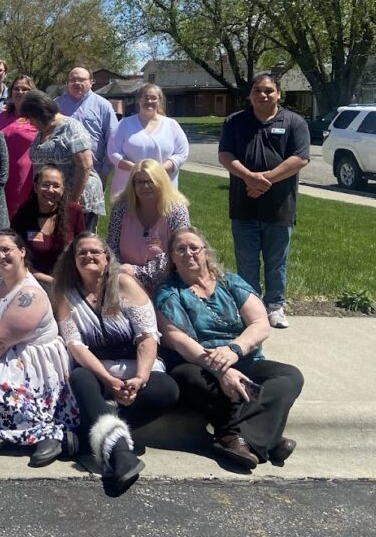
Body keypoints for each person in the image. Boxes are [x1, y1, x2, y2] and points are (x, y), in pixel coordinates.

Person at [155, 226, 304, 470]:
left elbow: (260, 323)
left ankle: (234, 437)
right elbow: (177, 339)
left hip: (244, 358)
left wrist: (234, 350)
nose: (188, 253)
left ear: (205, 252)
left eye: (194, 247)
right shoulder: (168, 292)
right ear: (171, 257)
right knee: (188, 378)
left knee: (290, 376)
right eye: (180, 249)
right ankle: (269, 438)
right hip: (199, 362)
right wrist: (221, 370)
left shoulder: (229, 282)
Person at [52, 233, 180, 494]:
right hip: (96, 369)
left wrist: (141, 378)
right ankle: (121, 453)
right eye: (82, 253)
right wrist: (108, 379)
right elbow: (75, 345)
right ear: (73, 261)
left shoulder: (125, 284)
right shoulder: (66, 295)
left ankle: (93, 438)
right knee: (80, 379)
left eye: (95, 252)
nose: (89, 256)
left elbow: (147, 335)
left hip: (136, 365)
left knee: (167, 389)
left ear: (107, 257)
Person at [0, 230, 78, 466]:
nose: (0, 256)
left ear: (21, 252)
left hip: (28, 359)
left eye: (6, 250)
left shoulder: (30, 294)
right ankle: (7, 427)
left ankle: (46, 433)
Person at [218, 73, 310, 329]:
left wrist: (263, 180)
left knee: (276, 261)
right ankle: (250, 307)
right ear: (250, 95)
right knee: (246, 261)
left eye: (269, 90)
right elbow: (225, 154)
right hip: (243, 204)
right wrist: (248, 177)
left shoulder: (294, 122)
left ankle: (275, 306)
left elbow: (300, 158)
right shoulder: (235, 121)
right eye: (258, 90)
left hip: (279, 207)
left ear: (279, 94)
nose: (263, 95)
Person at [23, 89, 106, 232]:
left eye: (31, 118)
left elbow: (85, 165)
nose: (30, 122)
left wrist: (72, 204)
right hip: (54, 197)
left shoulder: (71, 127)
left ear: (40, 113)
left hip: (78, 198)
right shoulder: (42, 131)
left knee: (79, 244)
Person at [107, 159, 191, 294]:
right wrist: (121, 272)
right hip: (124, 282)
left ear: (161, 182)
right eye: (139, 182)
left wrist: (136, 272)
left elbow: (179, 251)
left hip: (166, 285)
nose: (145, 186)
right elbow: (112, 247)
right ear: (132, 184)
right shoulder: (121, 208)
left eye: (150, 181)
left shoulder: (176, 210)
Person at [108, 83, 190, 199]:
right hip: (128, 187)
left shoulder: (171, 125)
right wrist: (135, 169)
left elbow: (182, 153)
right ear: (139, 100)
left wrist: (158, 171)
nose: (149, 101)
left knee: (161, 215)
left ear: (159, 100)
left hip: (162, 185)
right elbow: (113, 151)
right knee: (128, 216)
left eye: (153, 98)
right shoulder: (125, 124)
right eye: (146, 97)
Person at [11, 165, 86, 286]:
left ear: (62, 190)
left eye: (56, 186)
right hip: (32, 280)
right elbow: (16, 257)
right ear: (36, 187)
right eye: (45, 185)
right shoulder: (23, 215)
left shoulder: (74, 212)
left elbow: (83, 248)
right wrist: (48, 281)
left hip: (68, 282)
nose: (50, 190)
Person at [56, 64, 117, 178]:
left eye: (82, 80)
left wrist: (104, 171)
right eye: (73, 80)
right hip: (61, 173)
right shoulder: (57, 105)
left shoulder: (103, 106)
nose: (77, 83)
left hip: (93, 173)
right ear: (67, 83)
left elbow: (113, 141)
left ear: (91, 81)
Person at [0, 74, 38, 220]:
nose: (20, 92)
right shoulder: (3, 115)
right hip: (4, 171)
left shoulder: (37, 116)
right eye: (16, 88)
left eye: (25, 89)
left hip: (26, 174)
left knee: (22, 214)